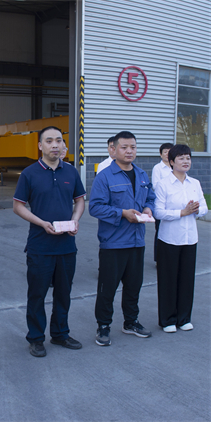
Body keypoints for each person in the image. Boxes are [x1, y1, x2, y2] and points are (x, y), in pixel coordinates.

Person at [12, 126, 87, 358]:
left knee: (64, 293)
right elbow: (18, 206)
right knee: (37, 294)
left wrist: (75, 220)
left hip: (66, 246)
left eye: (59, 140)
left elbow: (80, 200)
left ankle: (60, 334)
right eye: (49, 141)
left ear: (63, 145)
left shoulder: (71, 172)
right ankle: (36, 338)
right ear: (40, 146)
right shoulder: (29, 174)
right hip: (40, 246)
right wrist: (41, 223)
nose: (55, 145)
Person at [88, 131, 155, 346]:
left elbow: (151, 198)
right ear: (114, 149)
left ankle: (130, 322)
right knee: (107, 288)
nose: (129, 151)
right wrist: (122, 213)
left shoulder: (142, 175)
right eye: (124, 147)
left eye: (133, 147)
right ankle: (103, 326)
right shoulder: (105, 176)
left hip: (137, 241)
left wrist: (148, 209)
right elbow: (95, 207)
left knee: (134, 286)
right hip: (113, 242)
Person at [154, 144, 207, 333]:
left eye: (188, 158)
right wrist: (182, 212)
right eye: (181, 158)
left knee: (186, 279)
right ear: (171, 162)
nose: (186, 161)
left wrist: (196, 209)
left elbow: (204, 207)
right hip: (169, 239)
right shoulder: (164, 184)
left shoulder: (195, 183)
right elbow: (158, 212)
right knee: (168, 279)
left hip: (190, 238)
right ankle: (168, 320)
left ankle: (184, 318)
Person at [151, 143, 174, 263]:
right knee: (160, 231)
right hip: (162, 204)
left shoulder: (175, 167)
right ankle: (159, 259)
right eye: (165, 152)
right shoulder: (158, 168)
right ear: (161, 154)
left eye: (170, 151)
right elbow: (156, 185)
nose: (167, 154)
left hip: (174, 206)